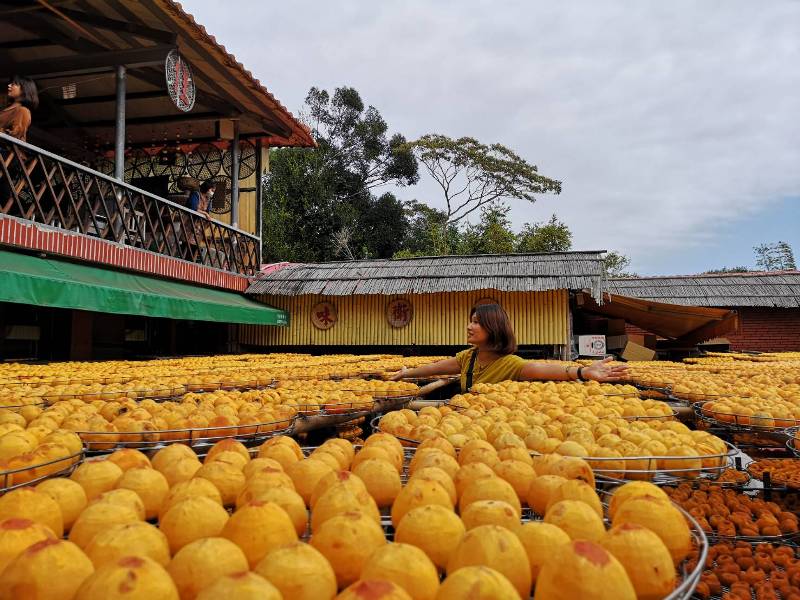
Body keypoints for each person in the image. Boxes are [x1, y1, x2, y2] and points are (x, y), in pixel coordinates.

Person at [391, 303, 629, 392]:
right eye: (470, 320)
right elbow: (435, 368)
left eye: (476, 322)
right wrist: (406, 373)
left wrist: (583, 372)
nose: (469, 326)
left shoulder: (511, 364)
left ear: (493, 328)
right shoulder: (468, 358)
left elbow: (541, 369)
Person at [1, 75, 38, 142]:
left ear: (24, 89)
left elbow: (16, 137)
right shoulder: (7, 108)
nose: (9, 85)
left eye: (13, 84)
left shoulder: (23, 111)